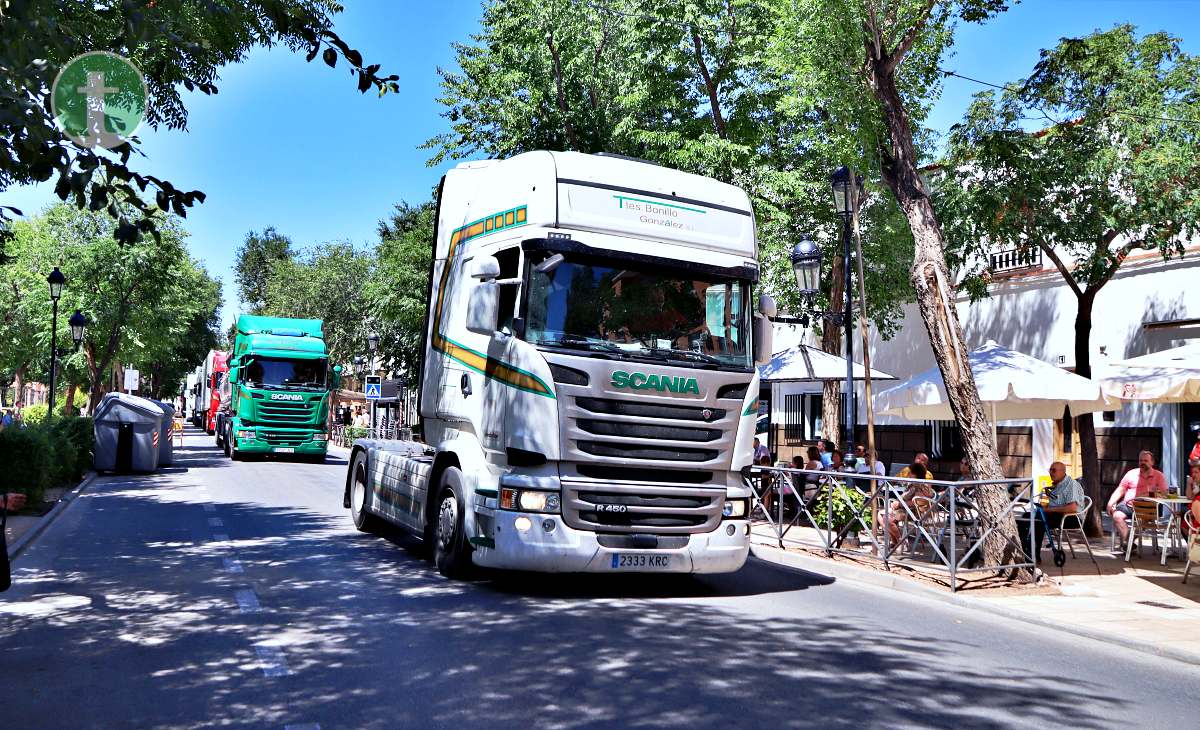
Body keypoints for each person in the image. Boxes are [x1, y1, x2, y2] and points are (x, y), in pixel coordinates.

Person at [1018, 461, 1084, 559]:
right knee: (1026, 517)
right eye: (1050, 470)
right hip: (1056, 516)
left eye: (1054, 470)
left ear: (1063, 472)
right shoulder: (1054, 486)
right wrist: (1044, 504)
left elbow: (1072, 508)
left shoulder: (1071, 485)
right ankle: (1024, 550)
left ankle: (1032, 554)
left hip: (1071, 518)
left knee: (1038, 520)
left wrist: (1049, 510)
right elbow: (1047, 505)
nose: (1051, 473)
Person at [1107, 450, 1169, 546]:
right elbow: (1120, 489)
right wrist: (1110, 503)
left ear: (1152, 462)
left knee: (1143, 521)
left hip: (1147, 508)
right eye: (1140, 461)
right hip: (1128, 506)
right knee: (1117, 516)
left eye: (1145, 461)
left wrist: (1148, 495)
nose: (1142, 463)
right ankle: (1129, 543)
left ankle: (1127, 542)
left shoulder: (1158, 476)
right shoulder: (1131, 473)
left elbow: (1165, 494)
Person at [886, 462, 933, 545]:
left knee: (886, 518)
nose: (908, 474)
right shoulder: (912, 484)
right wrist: (896, 503)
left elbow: (916, 502)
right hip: (905, 510)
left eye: (910, 473)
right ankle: (896, 541)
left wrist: (899, 504)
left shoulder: (921, 486)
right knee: (881, 515)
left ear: (916, 474)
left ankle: (901, 541)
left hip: (914, 513)